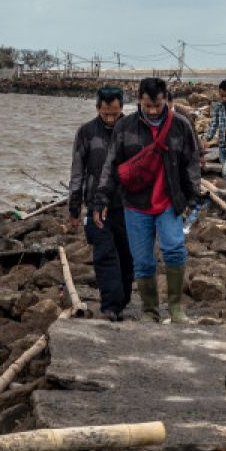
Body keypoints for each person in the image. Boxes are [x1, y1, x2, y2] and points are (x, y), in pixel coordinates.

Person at [93, 77, 204, 324]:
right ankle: (150, 311)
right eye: (147, 106)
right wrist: (101, 198)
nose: (152, 111)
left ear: (166, 99)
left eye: (157, 105)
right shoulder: (126, 127)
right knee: (142, 261)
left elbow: (192, 163)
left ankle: (175, 309)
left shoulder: (181, 126)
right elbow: (111, 165)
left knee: (174, 249)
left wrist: (194, 197)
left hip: (169, 201)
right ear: (139, 101)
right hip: (135, 204)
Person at [68, 87, 134, 321]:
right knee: (104, 254)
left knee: (127, 257)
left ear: (121, 109)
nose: (109, 119)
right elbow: (77, 172)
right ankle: (110, 306)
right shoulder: (86, 133)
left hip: (128, 205)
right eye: (105, 114)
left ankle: (122, 300)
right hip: (96, 206)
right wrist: (74, 207)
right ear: (97, 108)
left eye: (114, 114)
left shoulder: (132, 129)